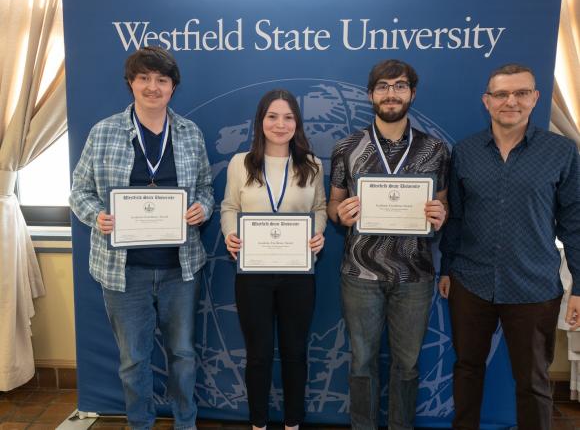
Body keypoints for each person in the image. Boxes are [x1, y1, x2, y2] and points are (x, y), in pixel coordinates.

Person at [70, 46, 214, 430]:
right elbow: (78, 192)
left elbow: (204, 188)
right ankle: (141, 424)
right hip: (123, 272)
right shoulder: (104, 132)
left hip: (179, 269)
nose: (153, 87)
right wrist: (95, 216)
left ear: (173, 87)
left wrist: (202, 209)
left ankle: (186, 422)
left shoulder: (189, 133)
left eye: (162, 80)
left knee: (182, 354)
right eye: (144, 78)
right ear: (130, 83)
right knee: (133, 359)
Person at [438, 63, 580, 430]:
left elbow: (575, 223)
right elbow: (455, 218)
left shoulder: (561, 153)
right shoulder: (465, 152)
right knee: (467, 368)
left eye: (520, 93)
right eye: (501, 94)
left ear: (535, 98)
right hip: (470, 281)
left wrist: (579, 286)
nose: (510, 101)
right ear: (487, 101)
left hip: (534, 285)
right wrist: (447, 269)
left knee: (533, 380)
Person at [327, 59, 449, 430]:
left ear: (412, 93)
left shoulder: (435, 149)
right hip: (360, 273)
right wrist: (340, 214)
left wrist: (441, 213)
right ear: (370, 94)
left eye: (399, 85)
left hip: (415, 274)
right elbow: (332, 204)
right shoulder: (346, 147)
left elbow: (443, 203)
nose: (391, 93)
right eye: (383, 86)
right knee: (361, 362)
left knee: (407, 364)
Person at [220, 89, 326, 430]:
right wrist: (229, 233)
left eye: (288, 117)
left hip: (298, 274)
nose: (280, 124)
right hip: (253, 274)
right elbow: (229, 207)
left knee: (295, 352)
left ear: (297, 122)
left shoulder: (312, 164)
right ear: (260, 121)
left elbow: (320, 209)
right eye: (272, 116)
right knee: (259, 354)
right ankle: (258, 423)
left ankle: (293, 422)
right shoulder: (240, 163)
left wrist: (318, 233)